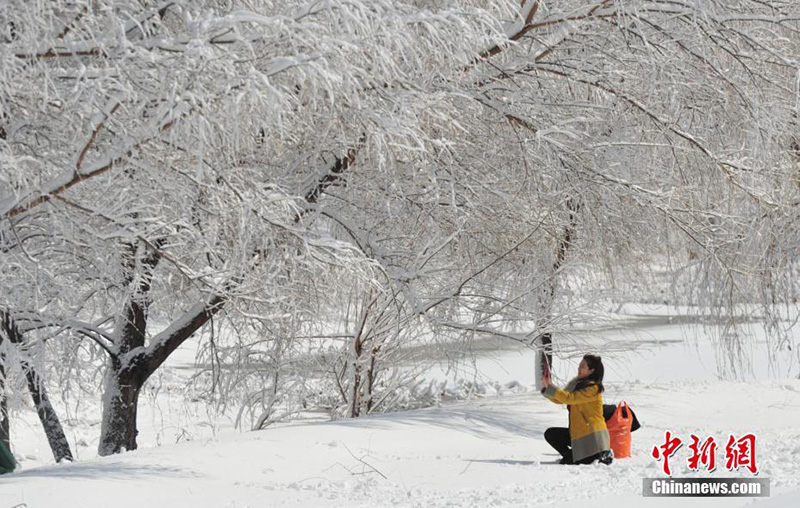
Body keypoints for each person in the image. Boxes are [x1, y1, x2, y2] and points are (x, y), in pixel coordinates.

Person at [541, 354, 613, 465]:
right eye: (579, 365)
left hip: (592, 437)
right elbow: (561, 399)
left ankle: (600, 454)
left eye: (583, 366)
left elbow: (569, 398)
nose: (579, 368)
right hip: (578, 433)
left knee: (568, 463)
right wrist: (547, 388)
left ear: (591, 370)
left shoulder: (593, 388)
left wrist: (551, 387)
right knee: (551, 434)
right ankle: (571, 455)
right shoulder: (577, 384)